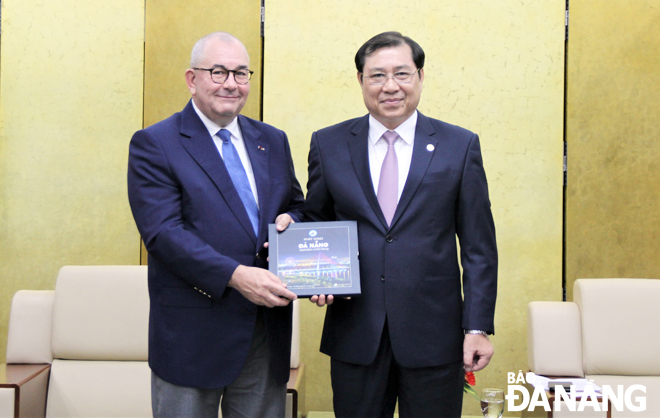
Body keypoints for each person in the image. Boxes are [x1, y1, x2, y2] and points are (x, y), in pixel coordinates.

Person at [304, 31, 498, 417]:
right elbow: (315, 221)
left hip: (435, 337)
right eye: (377, 75)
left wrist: (477, 327)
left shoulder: (459, 146)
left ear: (420, 77)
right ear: (360, 80)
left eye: (402, 74)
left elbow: (478, 248)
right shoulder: (329, 144)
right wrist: (314, 277)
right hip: (356, 334)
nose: (390, 86)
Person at [127, 32, 303, 418]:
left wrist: (294, 221)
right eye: (218, 72)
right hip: (193, 334)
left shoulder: (271, 140)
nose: (231, 84)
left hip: (264, 333)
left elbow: (296, 206)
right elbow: (162, 234)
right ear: (192, 79)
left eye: (241, 73)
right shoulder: (156, 143)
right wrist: (237, 275)